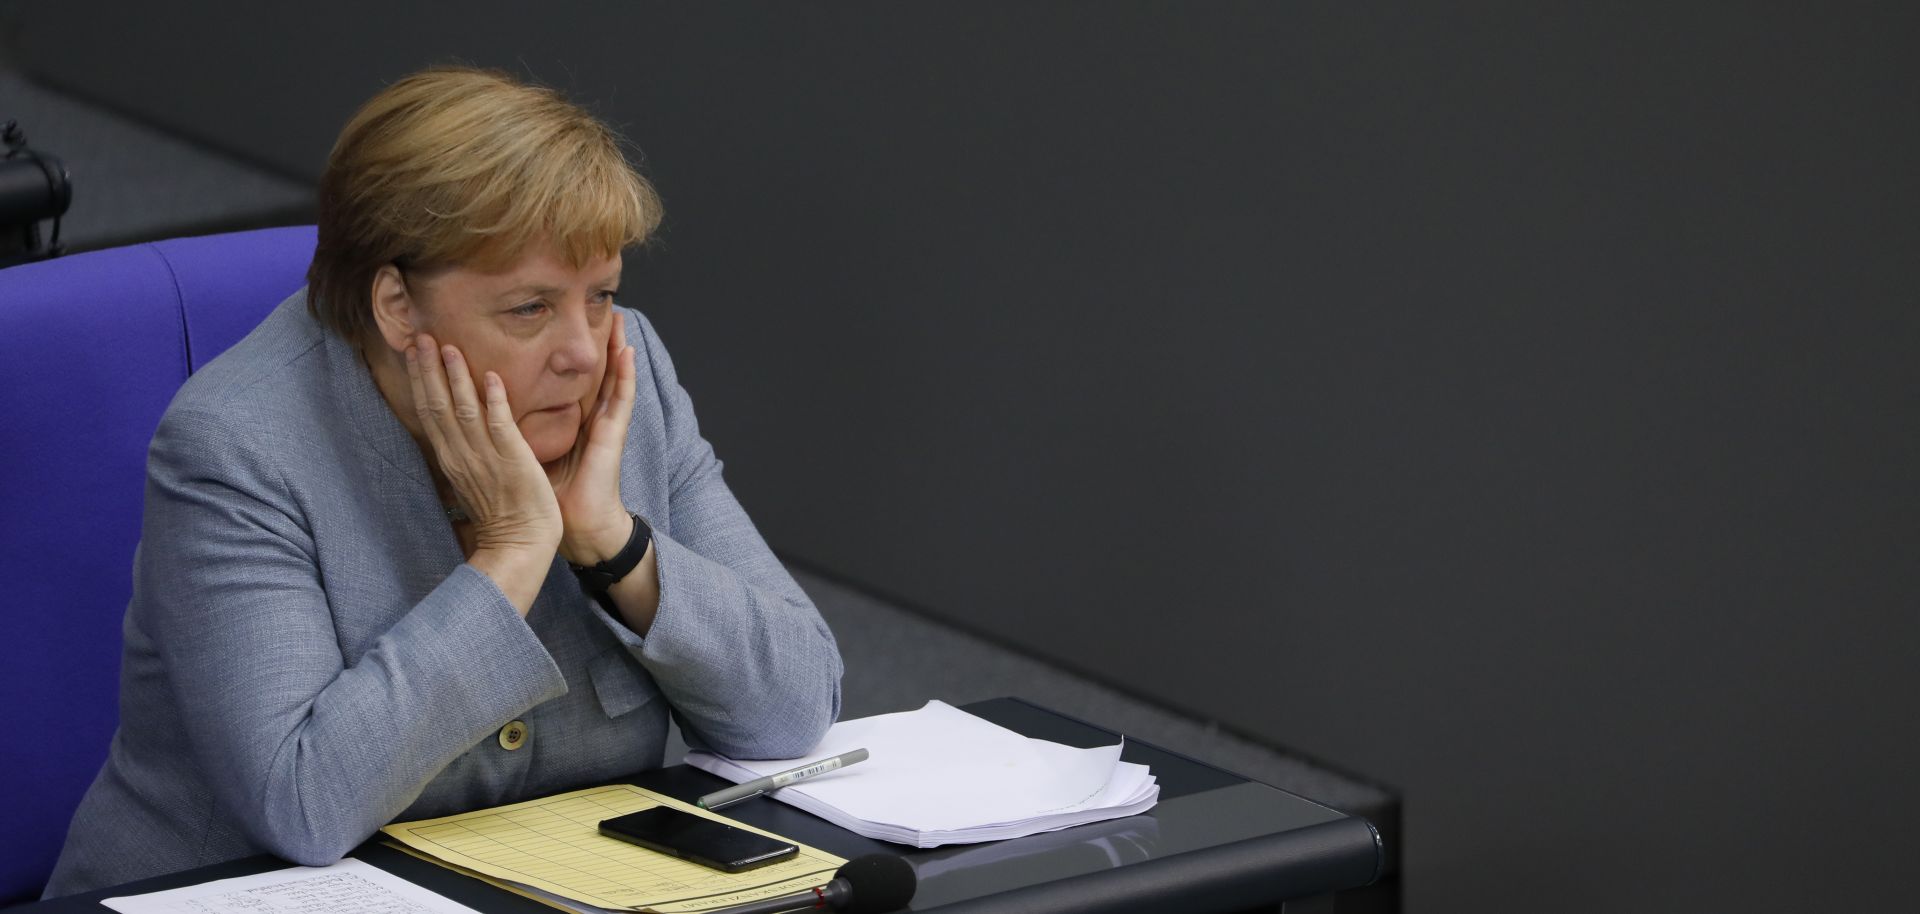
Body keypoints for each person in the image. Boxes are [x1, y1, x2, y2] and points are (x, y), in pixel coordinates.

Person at [44, 66, 843, 896]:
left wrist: (614, 545)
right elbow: (300, 805)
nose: (581, 348)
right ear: (396, 306)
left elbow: (794, 707)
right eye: (530, 308)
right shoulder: (238, 447)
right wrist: (513, 552)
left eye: (600, 295)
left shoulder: (621, 379)